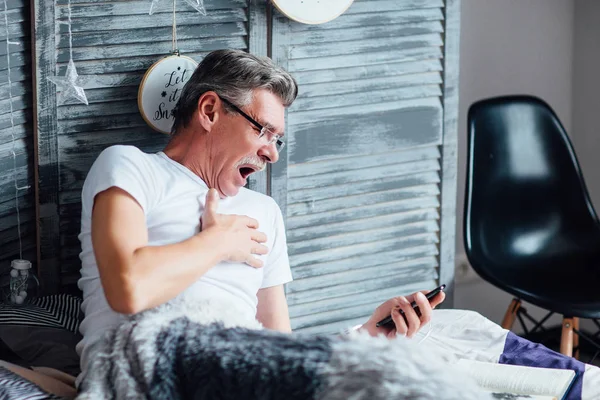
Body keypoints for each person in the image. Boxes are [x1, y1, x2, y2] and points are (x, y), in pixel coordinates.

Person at [75, 49, 445, 385]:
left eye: (278, 139)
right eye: (263, 130)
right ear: (209, 111)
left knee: (404, 378)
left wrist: (366, 336)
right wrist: (218, 241)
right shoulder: (129, 166)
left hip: (242, 375)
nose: (273, 154)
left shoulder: (263, 212)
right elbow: (128, 289)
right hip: (148, 367)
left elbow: (278, 353)